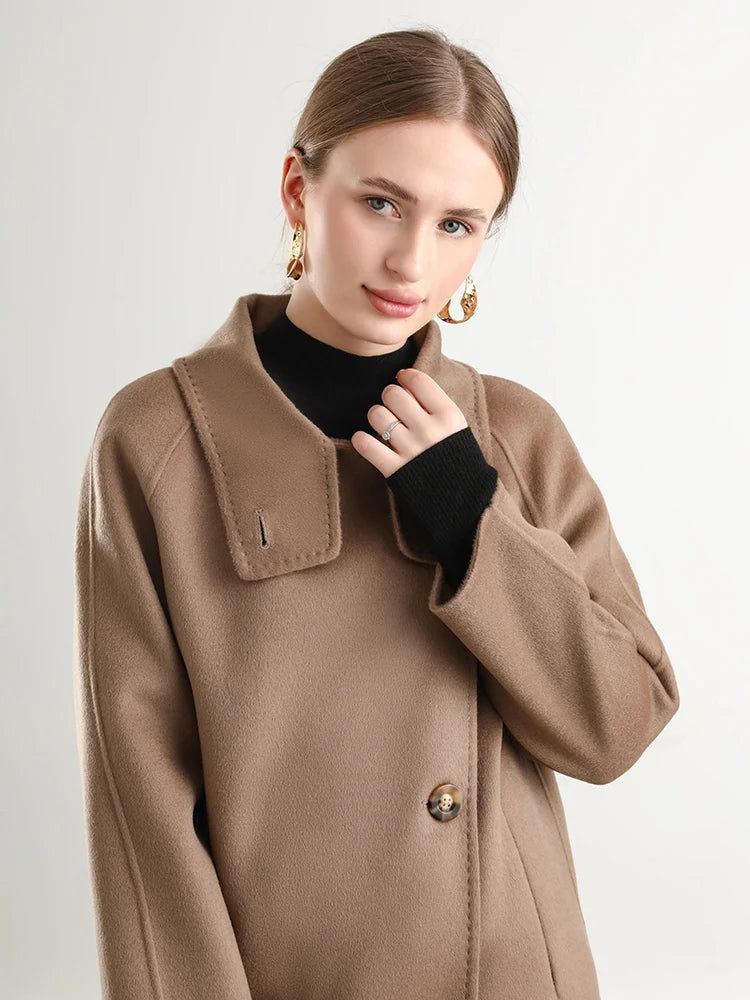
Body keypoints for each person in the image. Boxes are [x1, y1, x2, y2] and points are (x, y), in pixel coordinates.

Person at [72, 27, 680, 1000]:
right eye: (380, 202)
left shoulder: (515, 434)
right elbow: (139, 803)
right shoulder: (161, 438)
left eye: (457, 223)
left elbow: (618, 725)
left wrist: (470, 515)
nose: (410, 257)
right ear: (298, 191)